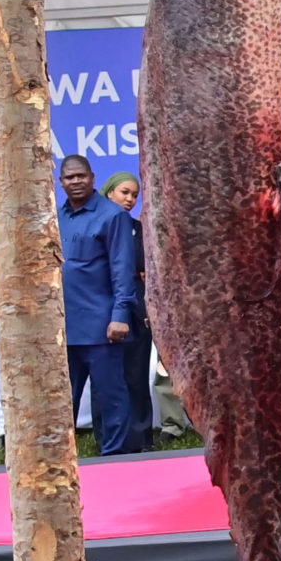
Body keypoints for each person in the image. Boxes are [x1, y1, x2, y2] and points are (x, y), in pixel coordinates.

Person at [58, 154, 146, 456]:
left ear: (93, 178)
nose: (76, 181)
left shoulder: (112, 216)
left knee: (112, 398)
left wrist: (120, 315)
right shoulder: (56, 217)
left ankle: (114, 460)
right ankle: (60, 463)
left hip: (102, 326)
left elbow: (122, 270)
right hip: (63, 328)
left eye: (81, 176)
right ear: (61, 182)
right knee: (60, 402)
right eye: (70, 177)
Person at [103, 172, 155, 440]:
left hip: (136, 311)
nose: (130, 199)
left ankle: (142, 435)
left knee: (136, 375)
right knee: (108, 379)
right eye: (125, 192)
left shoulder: (138, 230)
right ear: (110, 191)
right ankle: (110, 435)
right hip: (102, 310)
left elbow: (144, 265)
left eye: (134, 195)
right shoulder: (97, 224)